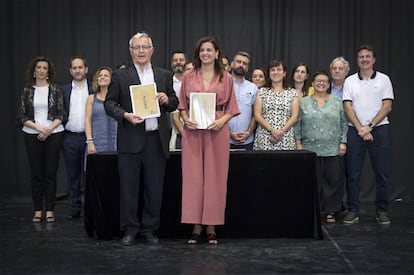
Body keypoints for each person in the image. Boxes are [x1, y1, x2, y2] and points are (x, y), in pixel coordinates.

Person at [104, 32, 178, 246]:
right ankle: (130, 229)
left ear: (152, 50)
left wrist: (167, 99)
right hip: (130, 140)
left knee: (154, 189)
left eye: (145, 47)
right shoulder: (120, 76)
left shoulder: (164, 75)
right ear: (131, 51)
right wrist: (125, 115)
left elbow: (173, 103)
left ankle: (149, 229)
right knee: (128, 188)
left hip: (156, 140)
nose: (141, 51)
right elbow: (109, 104)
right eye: (137, 47)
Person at [178, 36, 240, 244]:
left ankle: (211, 226)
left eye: (209, 50)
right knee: (194, 178)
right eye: (202, 50)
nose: (205, 53)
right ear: (198, 54)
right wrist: (186, 119)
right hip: (193, 132)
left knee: (215, 178)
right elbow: (182, 106)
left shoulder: (227, 78)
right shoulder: (188, 76)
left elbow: (232, 107)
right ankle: (196, 226)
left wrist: (222, 121)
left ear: (216, 53)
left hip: (217, 129)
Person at [342, 45, 394, 225]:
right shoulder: (349, 81)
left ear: (374, 59)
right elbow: (347, 107)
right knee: (353, 174)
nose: (364, 59)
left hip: (379, 130)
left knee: (382, 174)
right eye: (361, 57)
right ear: (357, 60)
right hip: (355, 130)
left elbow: (387, 106)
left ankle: (382, 210)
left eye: (368, 56)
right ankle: (353, 210)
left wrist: (369, 127)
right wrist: (360, 128)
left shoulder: (384, 79)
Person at [17, 56, 66, 223]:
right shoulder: (27, 90)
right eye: (39, 67)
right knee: (36, 174)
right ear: (34, 71)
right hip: (32, 134)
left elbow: (61, 114)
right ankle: (38, 210)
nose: (41, 70)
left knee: (50, 174)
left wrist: (49, 129)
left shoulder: (56, 89)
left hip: (54, 133)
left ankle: (50, 210)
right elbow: (22, 116)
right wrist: (39, 128)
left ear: (48, 72)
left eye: (45, 68)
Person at [295, 71, 348, 223]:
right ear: (312, 83)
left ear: (328, 84)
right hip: (309, 149)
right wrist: (298, 142)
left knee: (332, 181)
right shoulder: (304, 101)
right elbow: (298, 123)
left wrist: (343, 142)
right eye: (318, 80)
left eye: (325, 81)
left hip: (332, 148)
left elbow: (344, 123)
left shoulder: (337, 101)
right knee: (312, 181)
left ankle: (330, 211)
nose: (321, 83)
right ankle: (312, 210)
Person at [61, 56, 94, 220]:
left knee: (90, 175)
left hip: (90, 139)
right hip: (70, 138)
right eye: (74, 68)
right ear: (70, 71)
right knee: (73, 175)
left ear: (86, 69)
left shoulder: (94, 89)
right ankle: (74, 208)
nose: (78, 70)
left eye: (80, 67)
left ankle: (90, 208)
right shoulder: (64, 90)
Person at [253, 60, 299, 150]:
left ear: (284, 73)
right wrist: (272, 130)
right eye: (272, 70)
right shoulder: (262, 91)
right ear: (269, 73)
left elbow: (294, 117)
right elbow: (257, 116)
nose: (275, 72)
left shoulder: (292, 93)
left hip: (285, 137)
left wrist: (280, 132)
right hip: (265, 137)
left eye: (279, 69)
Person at [84, 67, 117, 163]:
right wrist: (89, 142)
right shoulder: (91, 98)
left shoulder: (118, 98)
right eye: (100, 75)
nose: (102, 77)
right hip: (96, 143)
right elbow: (87, 121)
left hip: (116, 143)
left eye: (106, 75)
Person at [228, 51, 258, 150]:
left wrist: (248, 132)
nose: (241, 65)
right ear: (232, 64)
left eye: (244, 63)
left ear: (247, 68)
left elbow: (256, 114)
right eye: (238, 62)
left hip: (247, 140)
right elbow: (216, 112)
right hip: (225, 139)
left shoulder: (253, 88)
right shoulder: (222, 85)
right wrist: (229, 133)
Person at [169, 50, 187, 151]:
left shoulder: (194, 83)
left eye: (181, 60)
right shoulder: (168, 83)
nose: (178, 62)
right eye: (175, 60)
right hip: (175, 133)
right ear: (172, 63)